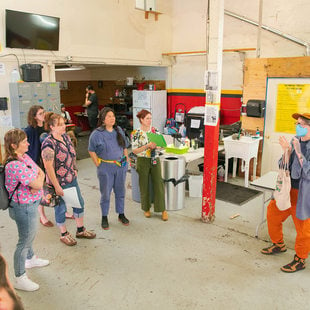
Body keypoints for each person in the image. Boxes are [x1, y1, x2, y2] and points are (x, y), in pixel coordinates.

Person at [261, 112, 310, 273]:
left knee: (303, 229)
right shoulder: (295, 140)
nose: (298, 127)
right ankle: (279, 244)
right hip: (288, 189)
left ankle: (300, 259)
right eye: (297, 123)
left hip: (303, 193)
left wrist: (299, 152)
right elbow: (283, 164)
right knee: (273, 212)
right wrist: (287, 151)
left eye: (302, 124)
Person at [4, 129, 49, 291]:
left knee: (29, 235)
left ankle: (30, 259)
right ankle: (20, 277)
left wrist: (37, 180)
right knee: (24, 241)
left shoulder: (24, 157)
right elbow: (37, 182)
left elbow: (40, 171)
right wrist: (37, 182)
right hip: (23, 208)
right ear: (14, 145)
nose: (28, 143)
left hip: (30, 205)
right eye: (24, 142)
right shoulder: (15, 164)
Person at [41, 113, 96, 246]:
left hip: (71, 178)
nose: (63, 126)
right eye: (59, 124)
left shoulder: (65, 137)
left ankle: (80, 229)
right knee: (60, 208)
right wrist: (56, 186)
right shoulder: (48, 144)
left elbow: (72, 154)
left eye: (63, 123)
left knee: (79, 203)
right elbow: (48, 168)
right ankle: (63, 233)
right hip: (58, 182)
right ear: (51, 127)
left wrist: (75, 169)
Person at [88, 107, 129, 230]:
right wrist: (98, 164)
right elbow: (91, 150)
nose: (112, 118)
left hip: (120, 166)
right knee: (105, 193)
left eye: (113, 116)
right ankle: (104, 216)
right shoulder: (96, 134)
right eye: (109, 116)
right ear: (102, 119)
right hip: (105, 168)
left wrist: (126, 160)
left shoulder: (119, 130)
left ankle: (121, 214)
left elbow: (125, 147)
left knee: (120, 191)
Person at [131, 109, 168, 221]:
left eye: (150, 118)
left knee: (159, 183)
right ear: (141, 120)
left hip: (154, 159)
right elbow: (135, 151)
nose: (149, 120)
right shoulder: (136, 133)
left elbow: (163, 146)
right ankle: (146, 208)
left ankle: (162, 210)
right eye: (147, 118)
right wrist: (147, 146)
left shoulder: (155, 131)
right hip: (142, 160)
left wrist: (157, 146)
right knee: (144, 184)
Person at [24, 105, 54, 227]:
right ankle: (42, 216)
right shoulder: (29, 130)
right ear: (34, 116)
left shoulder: (46, 128)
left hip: (48, 162)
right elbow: (25, 150)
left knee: (54, 185)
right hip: (36, 164)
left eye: (44, 112)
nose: (43, 115)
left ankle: (64, 211)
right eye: (40, 113)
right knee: (40, 190)